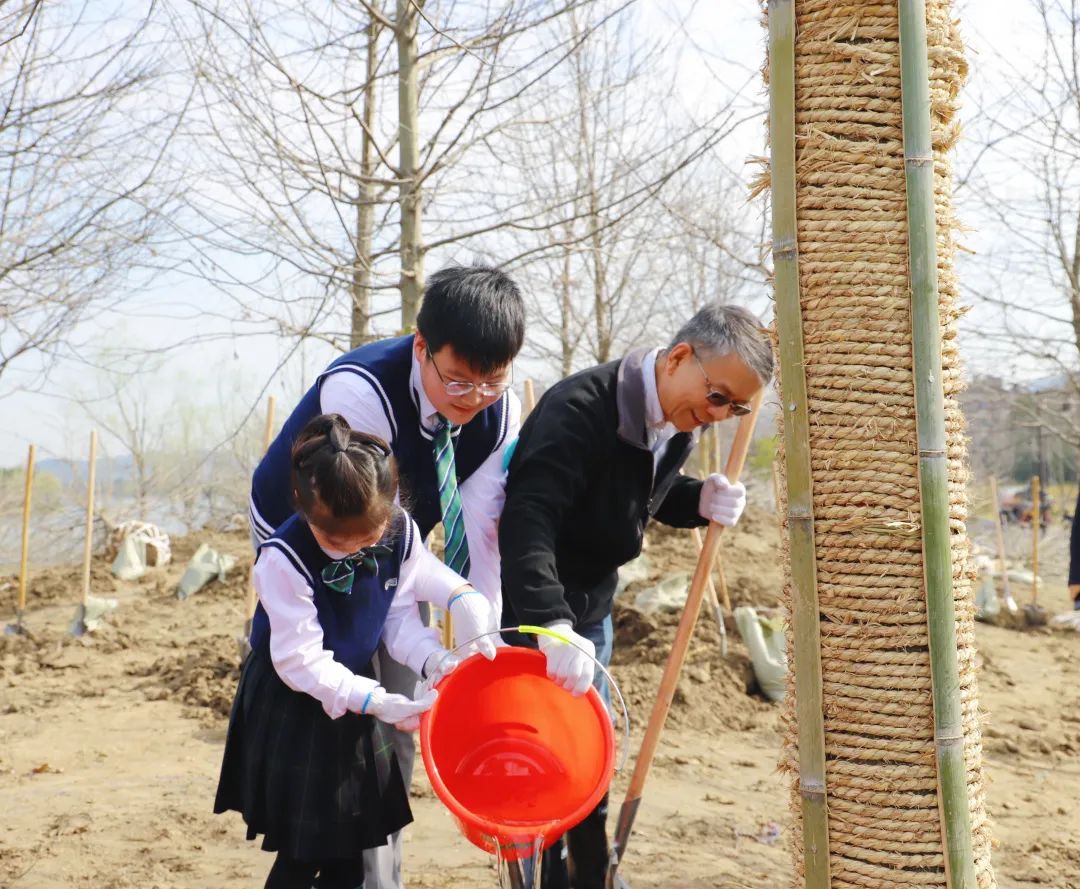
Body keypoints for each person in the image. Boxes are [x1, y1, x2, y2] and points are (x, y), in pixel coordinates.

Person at [248, 263, 524, 887]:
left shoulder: (495, 414)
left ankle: (378, 873)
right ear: (422, 347)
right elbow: (358, 525)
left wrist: (475, 637)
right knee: (324, 709)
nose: (473, 397)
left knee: (395, 729)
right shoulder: (361, 393)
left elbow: (468, 541)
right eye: (457, 380)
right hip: (311, 538)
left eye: (492, 382)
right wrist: (362, 689)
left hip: (391, 545)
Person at [499, 303, 774, 889]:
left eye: (737, 408)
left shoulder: (680, 419)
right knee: (539, 764)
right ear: (679, 358)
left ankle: (593, 875)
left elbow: (641, 494)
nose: (720, 416)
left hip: (592, 607)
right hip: (533, 608)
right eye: (720, 397)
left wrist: (696, 502)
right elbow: (528, 522)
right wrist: (549, 623)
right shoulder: (579, 410)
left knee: (587, 755)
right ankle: (536, 879)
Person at [216, 414, 496, 889]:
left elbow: (395, 615)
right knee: (303, 852)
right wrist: (374, 699)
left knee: (356, 839)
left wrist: (433, 653)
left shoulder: (400, 533)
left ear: (388, 506)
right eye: (334, 541)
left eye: (366, 538)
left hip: (356, 689)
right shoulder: (283, 558)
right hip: (296, 698)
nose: (352, 551)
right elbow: (300, 659)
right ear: (305, 508)